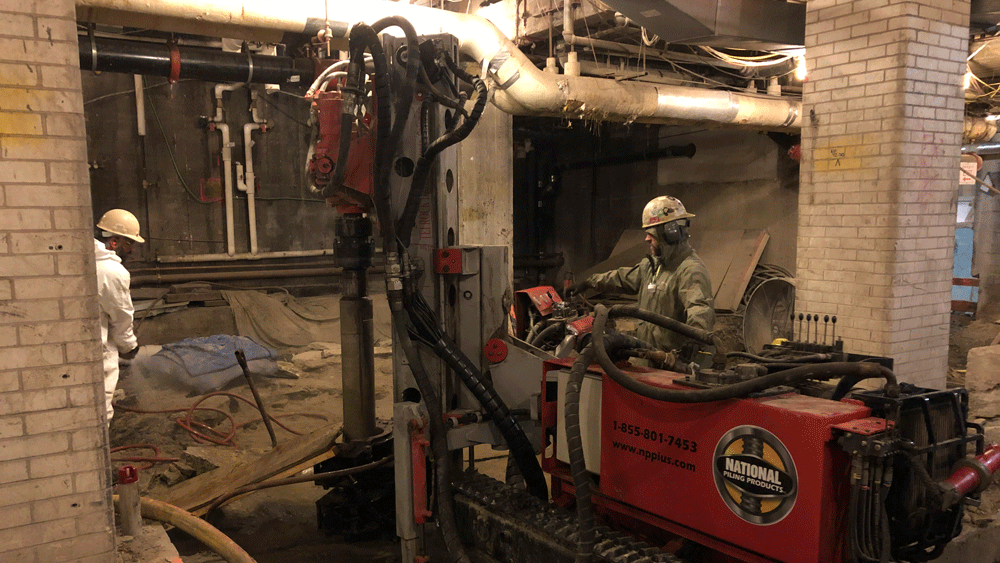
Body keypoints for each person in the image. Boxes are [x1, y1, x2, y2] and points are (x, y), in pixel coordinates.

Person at [572, 196, 714, 353]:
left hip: (671, 363)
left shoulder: (690, 270)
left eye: (651, 233)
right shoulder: (653, 264)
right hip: (647, 355)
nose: (646, 238)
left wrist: (696, 339)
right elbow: (622, 278)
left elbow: (699, 308)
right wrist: (589, 282)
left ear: (669, 233)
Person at [94, 209, 144, 422]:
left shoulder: (80, 258)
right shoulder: (112, 272)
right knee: (101, 412)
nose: (132, 250)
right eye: (129, 243)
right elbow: (122, 316)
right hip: (99, 352)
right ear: (113, 242)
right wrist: (129, 347)